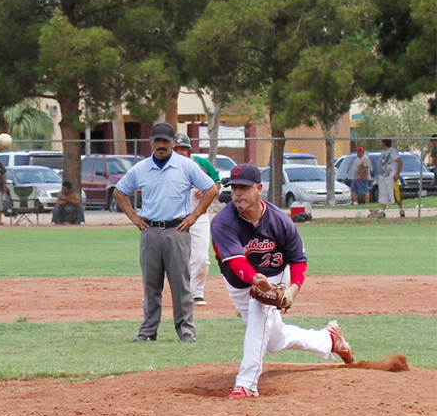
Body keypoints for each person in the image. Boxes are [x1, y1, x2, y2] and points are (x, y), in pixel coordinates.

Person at [210, 164, 354, 399]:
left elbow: (298, 261)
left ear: (259, 189)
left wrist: (291, 291)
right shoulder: (223, 222)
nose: (237, 194)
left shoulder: (281, 221)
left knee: (259, 320)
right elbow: (236, 263)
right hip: (241, 282)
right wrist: (256, 279)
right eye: (234, 188)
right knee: (273, 340)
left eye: (244, 188)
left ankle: (246, 384)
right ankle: (328, 339)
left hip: (275, 277)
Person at [114, 122, 218, 343]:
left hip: (176, 230)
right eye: (157, 141)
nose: (161, 145)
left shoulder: (186, 165)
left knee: (181, 284)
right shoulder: (140, 168)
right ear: (150, 142)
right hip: (150, 230)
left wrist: (194, 215)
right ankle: (148, 331)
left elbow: (212, 188)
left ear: (173, 142)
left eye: (165, 141)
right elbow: (119, 192)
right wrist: (134, 217)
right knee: (151, 284)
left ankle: (186, 330)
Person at [172, 133, 220, 306]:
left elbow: (216, 184)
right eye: (176, 149)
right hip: (173, 218)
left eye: (183, 149)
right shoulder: (165, 167)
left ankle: (196, 293)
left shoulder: (202, 165)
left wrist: (207, 190)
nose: (180, 152)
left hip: (199, 216)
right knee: (169, 258)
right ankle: (155, 293)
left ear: (189, 150)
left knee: (200, 258)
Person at [371, 139, 403, 218]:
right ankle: (383, 211)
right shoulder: (382, 152)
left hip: (391, 176)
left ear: (384, 143)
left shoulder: (392, 151)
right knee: (383, 193)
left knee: (395, 194)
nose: (380, 143)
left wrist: (397, 174)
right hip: (383, 176)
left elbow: (400, 162)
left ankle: (401, 209)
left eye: (381, 142)